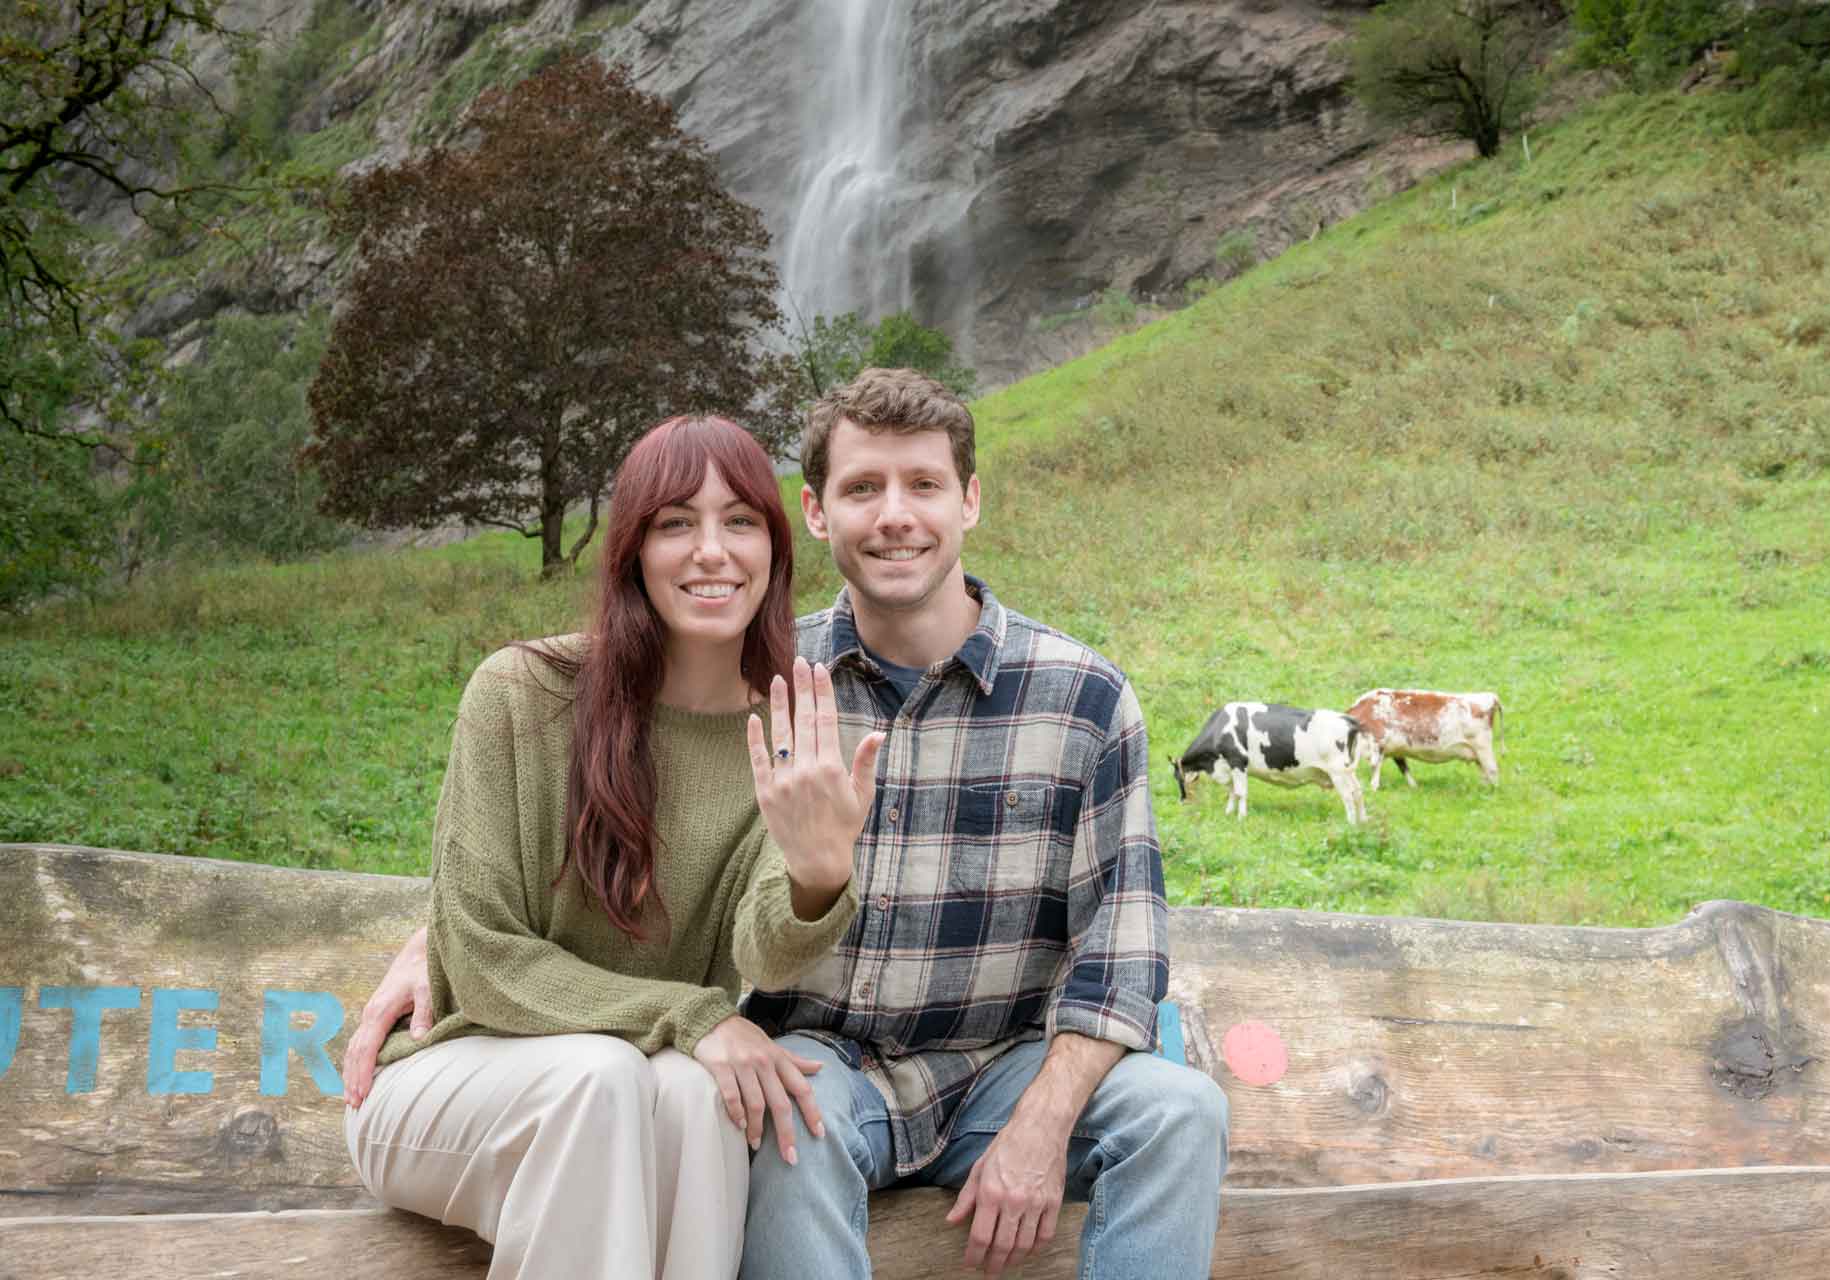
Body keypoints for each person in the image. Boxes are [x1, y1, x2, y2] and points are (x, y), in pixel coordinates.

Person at [346, 371, 1230, 1279]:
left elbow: (1119, 962)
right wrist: (438, 938)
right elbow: (621, 783)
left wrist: (1042, 1127)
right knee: (782, 1113)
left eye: (923, 485)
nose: (895, 516)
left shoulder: (1082, 697)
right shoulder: (759, 677)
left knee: (1181, 1113)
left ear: (969, 499)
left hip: (1005, 1067)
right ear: (814, 513)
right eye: (861, 489)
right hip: (824, 1064)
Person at [340, 414, 884, 1280]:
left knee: (702, 1100)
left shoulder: (777, 734)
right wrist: (695, 1018)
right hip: (449, 1091)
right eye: (677, 523)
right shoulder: (521, 692)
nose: (712, 550)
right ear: (632, 548)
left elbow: (761, 950)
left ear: (777, 553)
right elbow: (479, 957)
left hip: (629, 1092)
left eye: (741, 520)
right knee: (605, 1078)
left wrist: (818, 876)